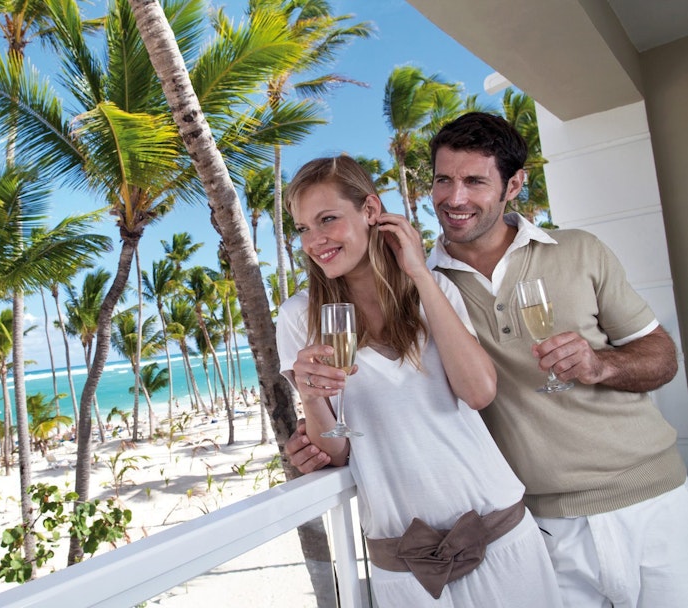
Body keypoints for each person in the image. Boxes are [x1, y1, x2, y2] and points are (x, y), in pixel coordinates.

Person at [286, 112, 688, 608]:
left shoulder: (577, 251)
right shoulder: (432, 280)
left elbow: (662, 358)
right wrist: (313, 425)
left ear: (513, 185)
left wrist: (600, 365)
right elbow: (370, 416)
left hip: (649, 499)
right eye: (443, 180)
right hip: (543, 523)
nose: (455, 198)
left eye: (475, 181)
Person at [277, 154, 561, 606]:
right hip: (402, 563)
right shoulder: (299, 317)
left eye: (327, 219)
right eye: (303, 228)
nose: (314, 240)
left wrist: (419, 275)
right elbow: (336, 449)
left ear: (371, 210)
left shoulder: (435, 289)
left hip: (501, 533)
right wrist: (311, 398)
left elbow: (478, 392)